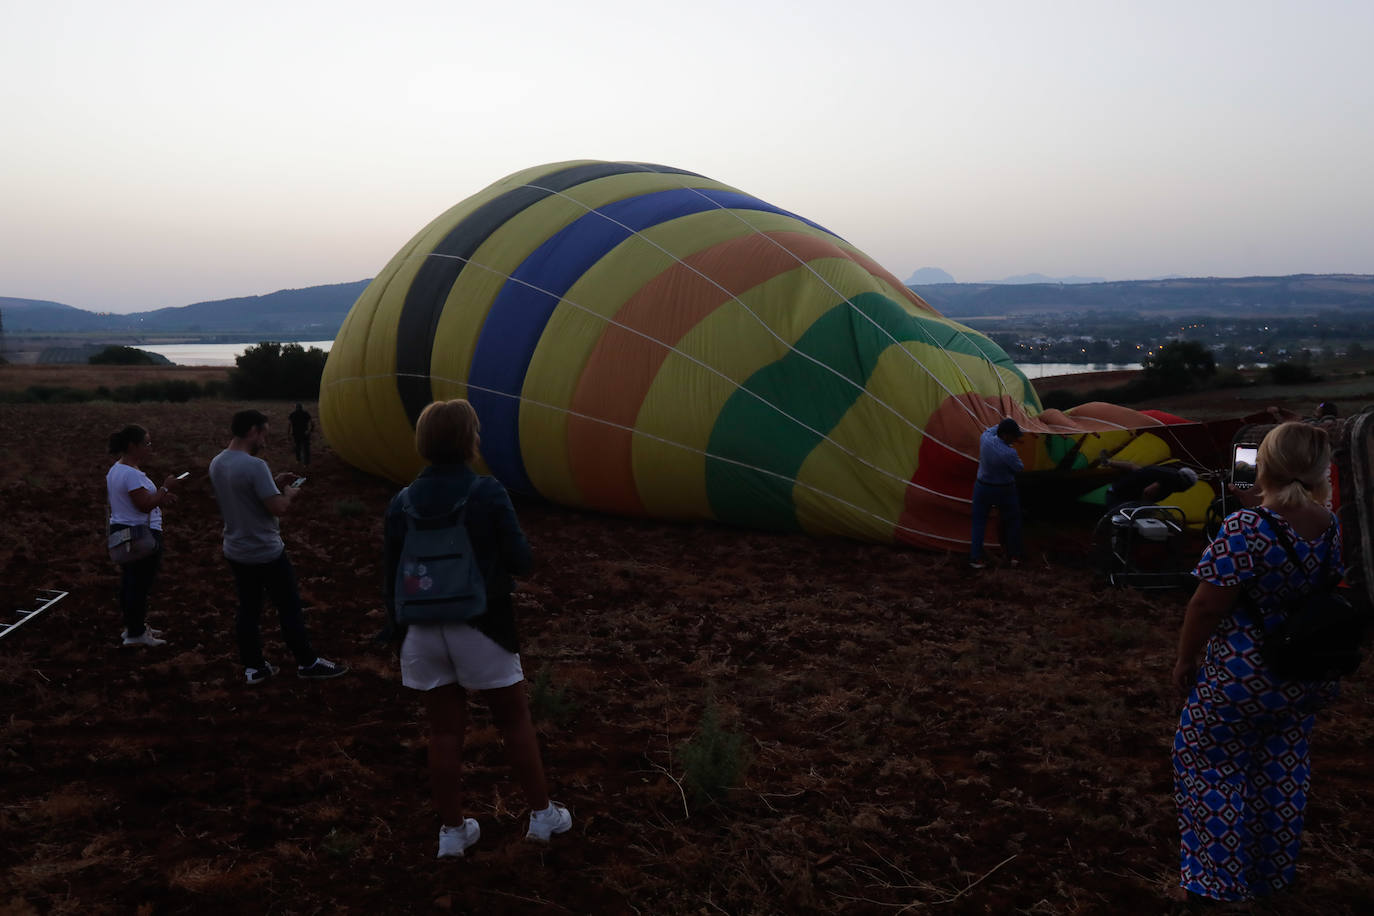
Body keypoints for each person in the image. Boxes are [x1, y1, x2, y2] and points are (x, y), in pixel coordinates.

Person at [382, 399, 569, 859]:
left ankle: (452, 833)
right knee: (513, 720)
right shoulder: (486, 492)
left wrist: (396, 630)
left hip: (421, 628)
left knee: (444, 732)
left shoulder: (401, 501)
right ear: (469, 440)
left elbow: (391, 576)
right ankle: (542, 816)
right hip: (482, 623)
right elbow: (521, 561)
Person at [1170, 422, 1343, 903]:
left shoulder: (1245, 528)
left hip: (1242, 676)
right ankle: (1272, 876)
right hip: (1303, 674)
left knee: (1207, 762)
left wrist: (1186, 658)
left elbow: (1206, 605)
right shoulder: (1332, 527)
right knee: (1281, 770)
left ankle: (1216, 883)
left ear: (1264, 464)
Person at [208, 409, 347, 685]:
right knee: (289, 607)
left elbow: (244, 494)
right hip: (265, 551)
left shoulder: (217, 462)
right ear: (253, 431)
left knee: (248, 609)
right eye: (264, 434)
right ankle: (307, 662)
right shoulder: (255, 466)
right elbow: (278, 507)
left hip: (236, 549)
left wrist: (272, 483)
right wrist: (289, 493)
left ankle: (254, 667)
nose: (265, 441)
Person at [106, 425, 181, 647]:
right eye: (146, 443)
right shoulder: (131, 474)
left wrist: (160, 498)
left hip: (124, 531)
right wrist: (165, 488)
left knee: (130, 581)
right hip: (141, 535)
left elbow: (138, 502)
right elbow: (144, 505)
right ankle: (136, 634)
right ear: (133, 446)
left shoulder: (116, 469)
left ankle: (133, 626)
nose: (150, 448)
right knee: (139, 584)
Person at [969, 417, 1025, 570]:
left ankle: (976, 558)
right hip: (1004, 490)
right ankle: (1014, 556)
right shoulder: (1009, 453)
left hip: (982, 487)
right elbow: (1019, 468)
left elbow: (993, 429)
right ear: (1005, 435)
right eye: (1014, 436)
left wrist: (1006, 419)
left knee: (979, 523)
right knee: (1013, 522)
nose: (1015, 439)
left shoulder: (985, 439)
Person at [1100, 459, 1197, 515]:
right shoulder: (1173, 480)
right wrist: (1143, 508)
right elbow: (1148, 492)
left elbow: (1132, 467)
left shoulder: (1164, 471)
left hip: (1114, 491)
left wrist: (1109, 462)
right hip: (1120, 498)